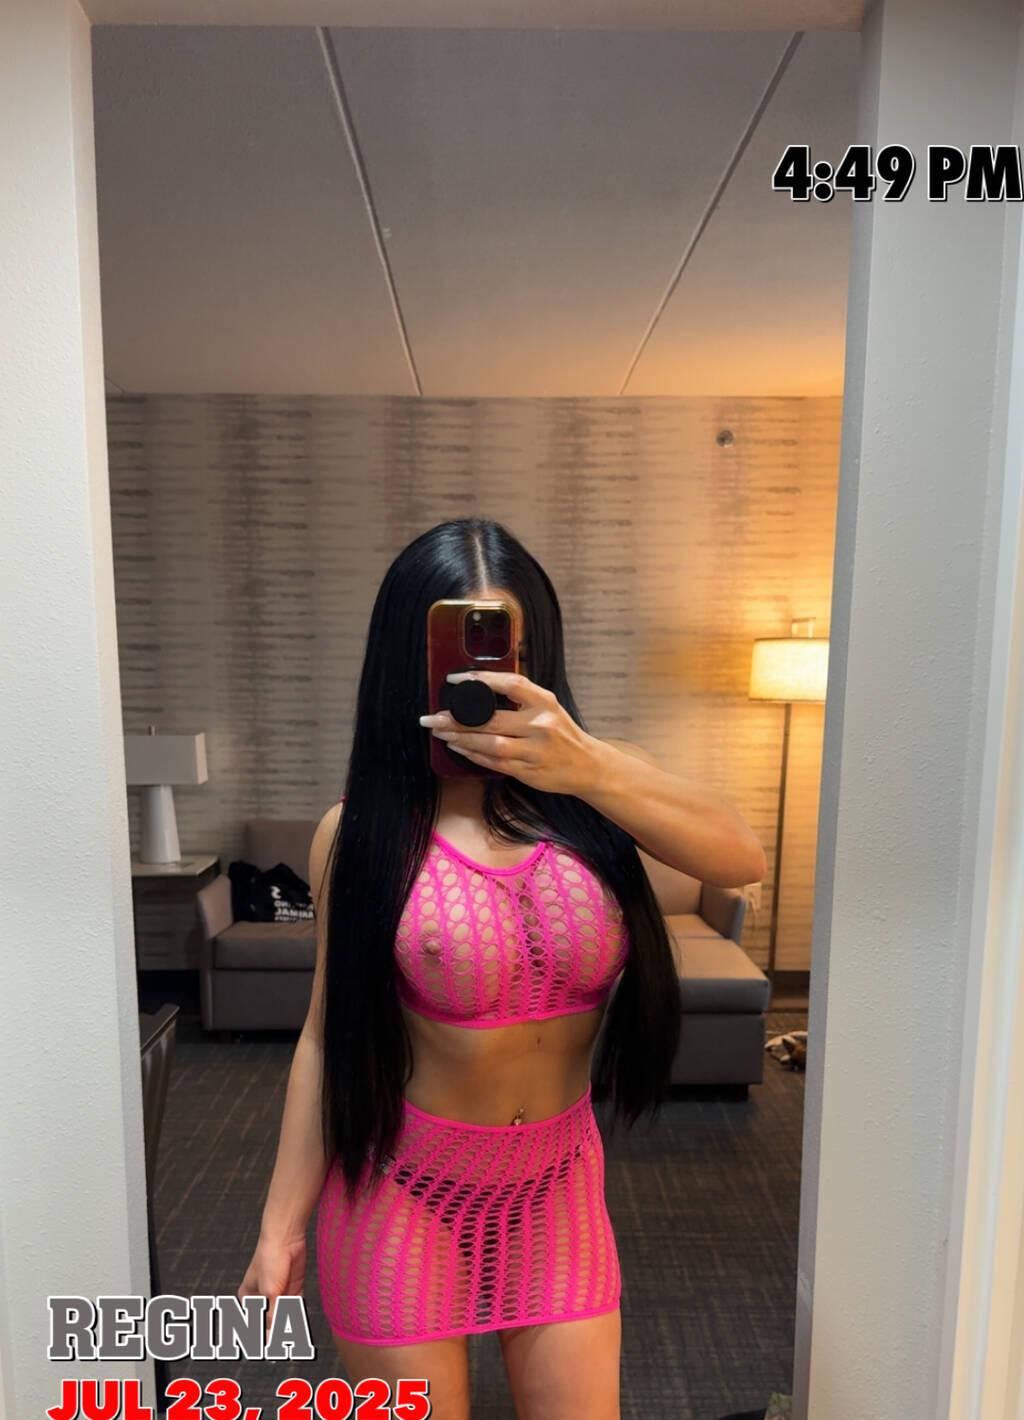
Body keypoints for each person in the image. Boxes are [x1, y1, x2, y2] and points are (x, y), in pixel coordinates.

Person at [238, 517, 766, 1419]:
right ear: (410, 663)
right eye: (453, 654)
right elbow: (327, 1038)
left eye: (504, 652)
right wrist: (278, 1230)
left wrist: (587, 766)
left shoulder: (602, 788)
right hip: (402, 1193)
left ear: (536, 656)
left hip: (558, 1190)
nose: (479, 679)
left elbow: (739, 856)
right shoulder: (361, 833)